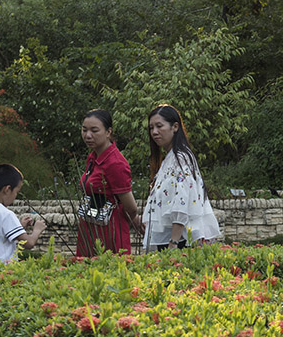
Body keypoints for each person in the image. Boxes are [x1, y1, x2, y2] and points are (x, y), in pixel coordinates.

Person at [141, 104, 221, 251]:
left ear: (175, 127)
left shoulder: (180, 158)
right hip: (173, 240)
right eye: (151, 128)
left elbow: (182, 203)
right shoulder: (169, 159)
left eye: (159, 126)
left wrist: (173, 242)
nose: (154, 132)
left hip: (180, 241)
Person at [77, 109, 143, 256]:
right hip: (90, 225)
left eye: (94, 130)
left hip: (109, 229)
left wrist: (138, 223)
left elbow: (131, 208)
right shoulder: (93, 157)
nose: (88, 135)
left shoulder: (115, 163)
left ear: (108, 132)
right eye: (84, 130)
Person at [0, 164, 48, 266]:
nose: (15, 197)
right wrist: (37, 230)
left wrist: (20, 226)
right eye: (16, 192)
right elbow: (29, 243)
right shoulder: (6, 214)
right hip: (4, 272)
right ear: (7, 189)